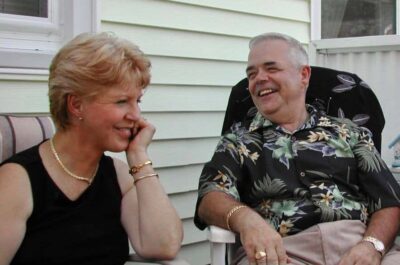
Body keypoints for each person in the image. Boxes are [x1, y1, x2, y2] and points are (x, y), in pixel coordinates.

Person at [194, 32, 400, 265]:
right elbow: (210, 198)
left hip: (357, 245)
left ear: (303, 75)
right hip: (282, 253)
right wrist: (247, 221)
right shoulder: (237, 141)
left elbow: (389, 201)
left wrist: (372, 245)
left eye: (271, 69)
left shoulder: (350, 133)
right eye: (251, 74)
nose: (259, 78)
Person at [0, 32, 183, 265]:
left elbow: (163, 245)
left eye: (137, 101)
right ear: (76, 105)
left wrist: (138, 156)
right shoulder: (18, 180)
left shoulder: (117, 176)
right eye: (121, 101)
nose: (136, 116)